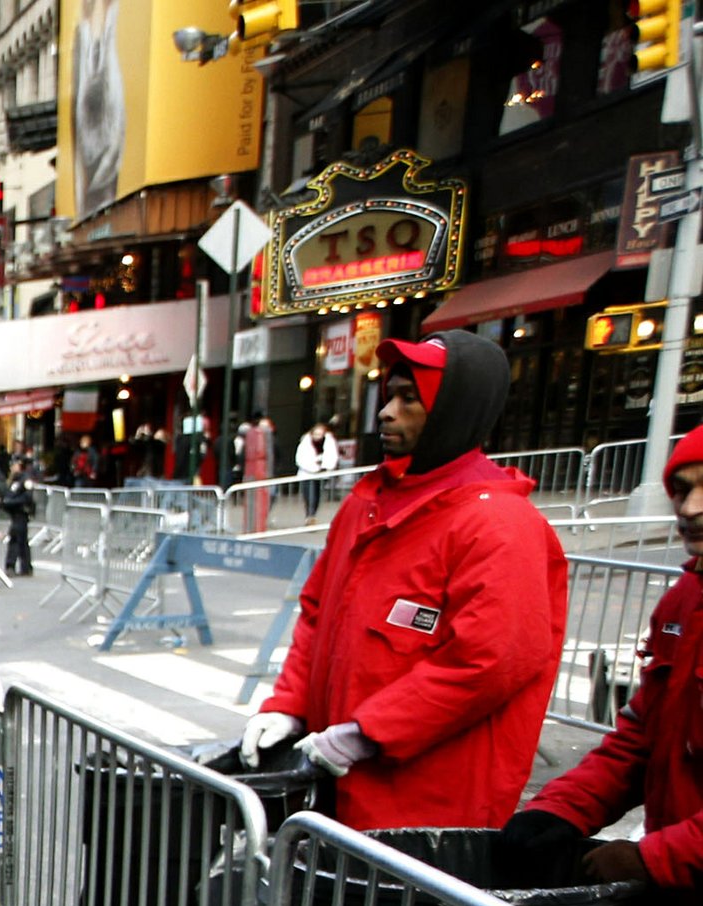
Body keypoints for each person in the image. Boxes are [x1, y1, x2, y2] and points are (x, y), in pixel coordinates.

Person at [241, 332, 566, 829]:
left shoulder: (499, 524)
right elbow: (316, 616)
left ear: (454, 410)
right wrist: (289, 706)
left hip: (426, 806)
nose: (386, 412)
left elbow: (488, 661)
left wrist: (369, 732)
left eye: (409, 399)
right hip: (339, 785)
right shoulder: (366, 503)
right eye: (390, 395)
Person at [497, 423, 702, 904]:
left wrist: (653, 858)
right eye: (683, 489)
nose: (691, 509)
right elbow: (638, 740)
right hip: (679, 890)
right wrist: (558, 811)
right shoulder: (682, 602)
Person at [295, 418, 341, 519]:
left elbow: (332, 456)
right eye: (316, 434)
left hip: (321, 474)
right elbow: (300, 458)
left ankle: (313, 514)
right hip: (307, 474)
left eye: (320, 434)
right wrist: (313, 467)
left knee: (316, 496)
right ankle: (310, 515)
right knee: (309, 495)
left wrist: (325, 466)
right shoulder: (305, 442)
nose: (317, 436)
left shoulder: (329, 442)